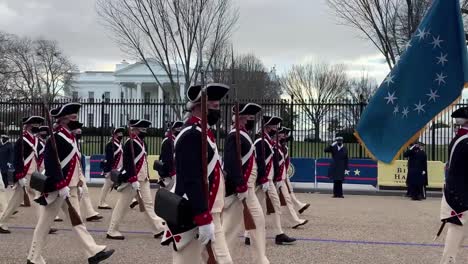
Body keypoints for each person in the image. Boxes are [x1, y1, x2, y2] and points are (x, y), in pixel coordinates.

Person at [27, 102, 114, 264]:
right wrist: (60, 185)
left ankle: (93, 252)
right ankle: (33, 257)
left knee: (77, 221)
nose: (76, 119)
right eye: (73, 117)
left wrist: (78, 183)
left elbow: (74, 162)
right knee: (44, 225)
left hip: (70, 186)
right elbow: (52, 164)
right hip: (58, 188)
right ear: (64, 120)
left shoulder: (69, 136)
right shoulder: (57, 138)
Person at [169, 83, 233, 264]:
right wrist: (203, 218)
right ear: (198, 106)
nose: (217, 110)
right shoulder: (191, 134)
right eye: (213, 106)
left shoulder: (203, 133)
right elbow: (191, 179)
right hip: (197, 211)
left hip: (210, 208)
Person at [223, 103, 269, 264]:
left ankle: (260, 259)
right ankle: (221, 258)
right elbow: (230, 164)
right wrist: (239, 185)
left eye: (252, 117)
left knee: (258, 221)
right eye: (248, 117)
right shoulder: (233, 136)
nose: (251, 120)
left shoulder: (244, 135)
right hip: (240, 190)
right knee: (230, 228)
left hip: (248, 188)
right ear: (240, 118)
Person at [106, 119, 166, 240]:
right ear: (134, 130)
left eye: (145, 129)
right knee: (122, 205)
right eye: (142, 129)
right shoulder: (130, 143)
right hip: (132, 180)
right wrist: (133, 179)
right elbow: (128, 163)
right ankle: (112, 230)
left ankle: (158, 228)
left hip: (143, 178)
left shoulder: (142, 142)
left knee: (148, 204)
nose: (144, 131)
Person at [253, 115, 296, 245]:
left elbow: (274, 162)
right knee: (257, 208)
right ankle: (249, 234)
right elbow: (259, 161)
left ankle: (279, 233)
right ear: (266, 127)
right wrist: (263, 179)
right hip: (263, 180)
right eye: (273, 126)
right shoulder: (260, 141)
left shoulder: (267, 141)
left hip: (269, 179)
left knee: (275, 205)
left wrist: (276, 177)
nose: (275, 129)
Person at [0, 116, 44, 234]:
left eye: (38, 124)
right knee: (36, 198)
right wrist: (19, 176)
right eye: (35, 124)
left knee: (18, 201)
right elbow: (17, 160)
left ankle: (1, 222)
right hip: (25, 174)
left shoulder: (35, 140)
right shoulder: (22, 140)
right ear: (28, 126)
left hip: (34, 173)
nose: (37, 126)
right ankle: (43, 225)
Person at [439, 107, 468, 264]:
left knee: (455, 237)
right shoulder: (465, 142)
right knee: (455, 237)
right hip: (462, 198)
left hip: (456, 195)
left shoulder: (459, 138)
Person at [70, 122, 103, 222]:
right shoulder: (69, 141)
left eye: (80, 128)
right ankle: (53, 215)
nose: (79, 130)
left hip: (77, 172)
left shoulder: (76, 142)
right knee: (58, 197)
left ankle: (90, 212)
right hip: (68, 174)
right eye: (77, 128)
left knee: (85, 192)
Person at [276, 127, 308, 228]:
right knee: (261, 204)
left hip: (280, 177)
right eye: (282, 134)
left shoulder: (282, 147)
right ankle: (248, 232)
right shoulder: (272, 145)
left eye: (285, 134)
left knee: (286, 199)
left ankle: (295, 220)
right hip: (270, 179)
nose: (285, 136)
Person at [98, 127, 125, 210]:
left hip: (119, 168)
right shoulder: (110, 144)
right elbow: (108, 158)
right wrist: (107, 170)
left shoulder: (120, 145)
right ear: (114, 135)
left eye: (121, 133)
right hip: (112, 169)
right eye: (119, 133)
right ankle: (101, 203)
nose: (121, 135)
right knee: (107, 186)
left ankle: (132, 200)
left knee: (126, 184)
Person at [156, 121, 183, 190]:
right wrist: (171, 173)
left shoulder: (175, 140)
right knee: (166, 195)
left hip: (175, 171)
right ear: (173, 130)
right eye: (178, 129)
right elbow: (167, 158)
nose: (179, 131)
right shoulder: (168, 141)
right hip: (169, 173)